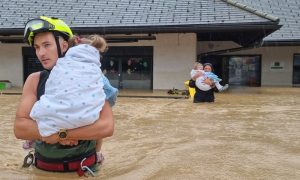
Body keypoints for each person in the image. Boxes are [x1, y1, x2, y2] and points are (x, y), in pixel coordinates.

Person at [14, 16, 115, 176]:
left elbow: (106, 126)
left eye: (47, 45)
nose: (41, 53)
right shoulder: (35, 80)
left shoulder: (92, 77)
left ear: (64, 45)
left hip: (83, 170)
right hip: (42, 171)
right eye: (37, 47)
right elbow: (20, 128)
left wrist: (62, 134)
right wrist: (59, 136)